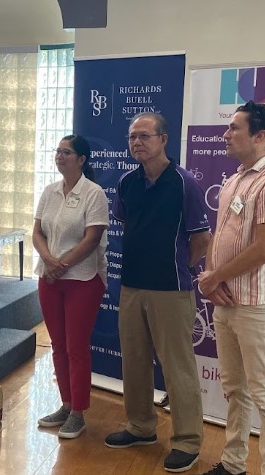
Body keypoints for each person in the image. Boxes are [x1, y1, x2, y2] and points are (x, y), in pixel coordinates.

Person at [197, 101, 265, 475]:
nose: (226, 135)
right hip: (225, 301)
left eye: (235, 128)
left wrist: (216, 276)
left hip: (258, 304)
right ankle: (233, 462)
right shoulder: (234, 179)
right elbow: (220, 236)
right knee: (234, 389)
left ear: (260, 136)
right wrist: (211, 278)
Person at [104, 112, 211, 473]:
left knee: (177, 368)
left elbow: (201, 241)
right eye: (132, 137)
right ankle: (140, 427)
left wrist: (180, 267)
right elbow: (127, 226)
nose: (137, 143)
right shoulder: (127, 183)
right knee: (133, 361)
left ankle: (187, 441)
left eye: (145, 136)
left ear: (164, 139)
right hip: (132, 286)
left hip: (171, 289)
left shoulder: (185, 183)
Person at [33, 135, 109, 439]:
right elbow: (37, 232)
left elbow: (92, 239)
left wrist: (60, 264)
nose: (59, 156)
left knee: (76, 347)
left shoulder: (94, 193)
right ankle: (65, 404)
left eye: (67, 152)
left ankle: (78, 412)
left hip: (82, 279)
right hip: (49, 279)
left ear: (82, 160)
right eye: (58, 152)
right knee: (57, 345)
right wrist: (50, 261)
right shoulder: (50, 192)